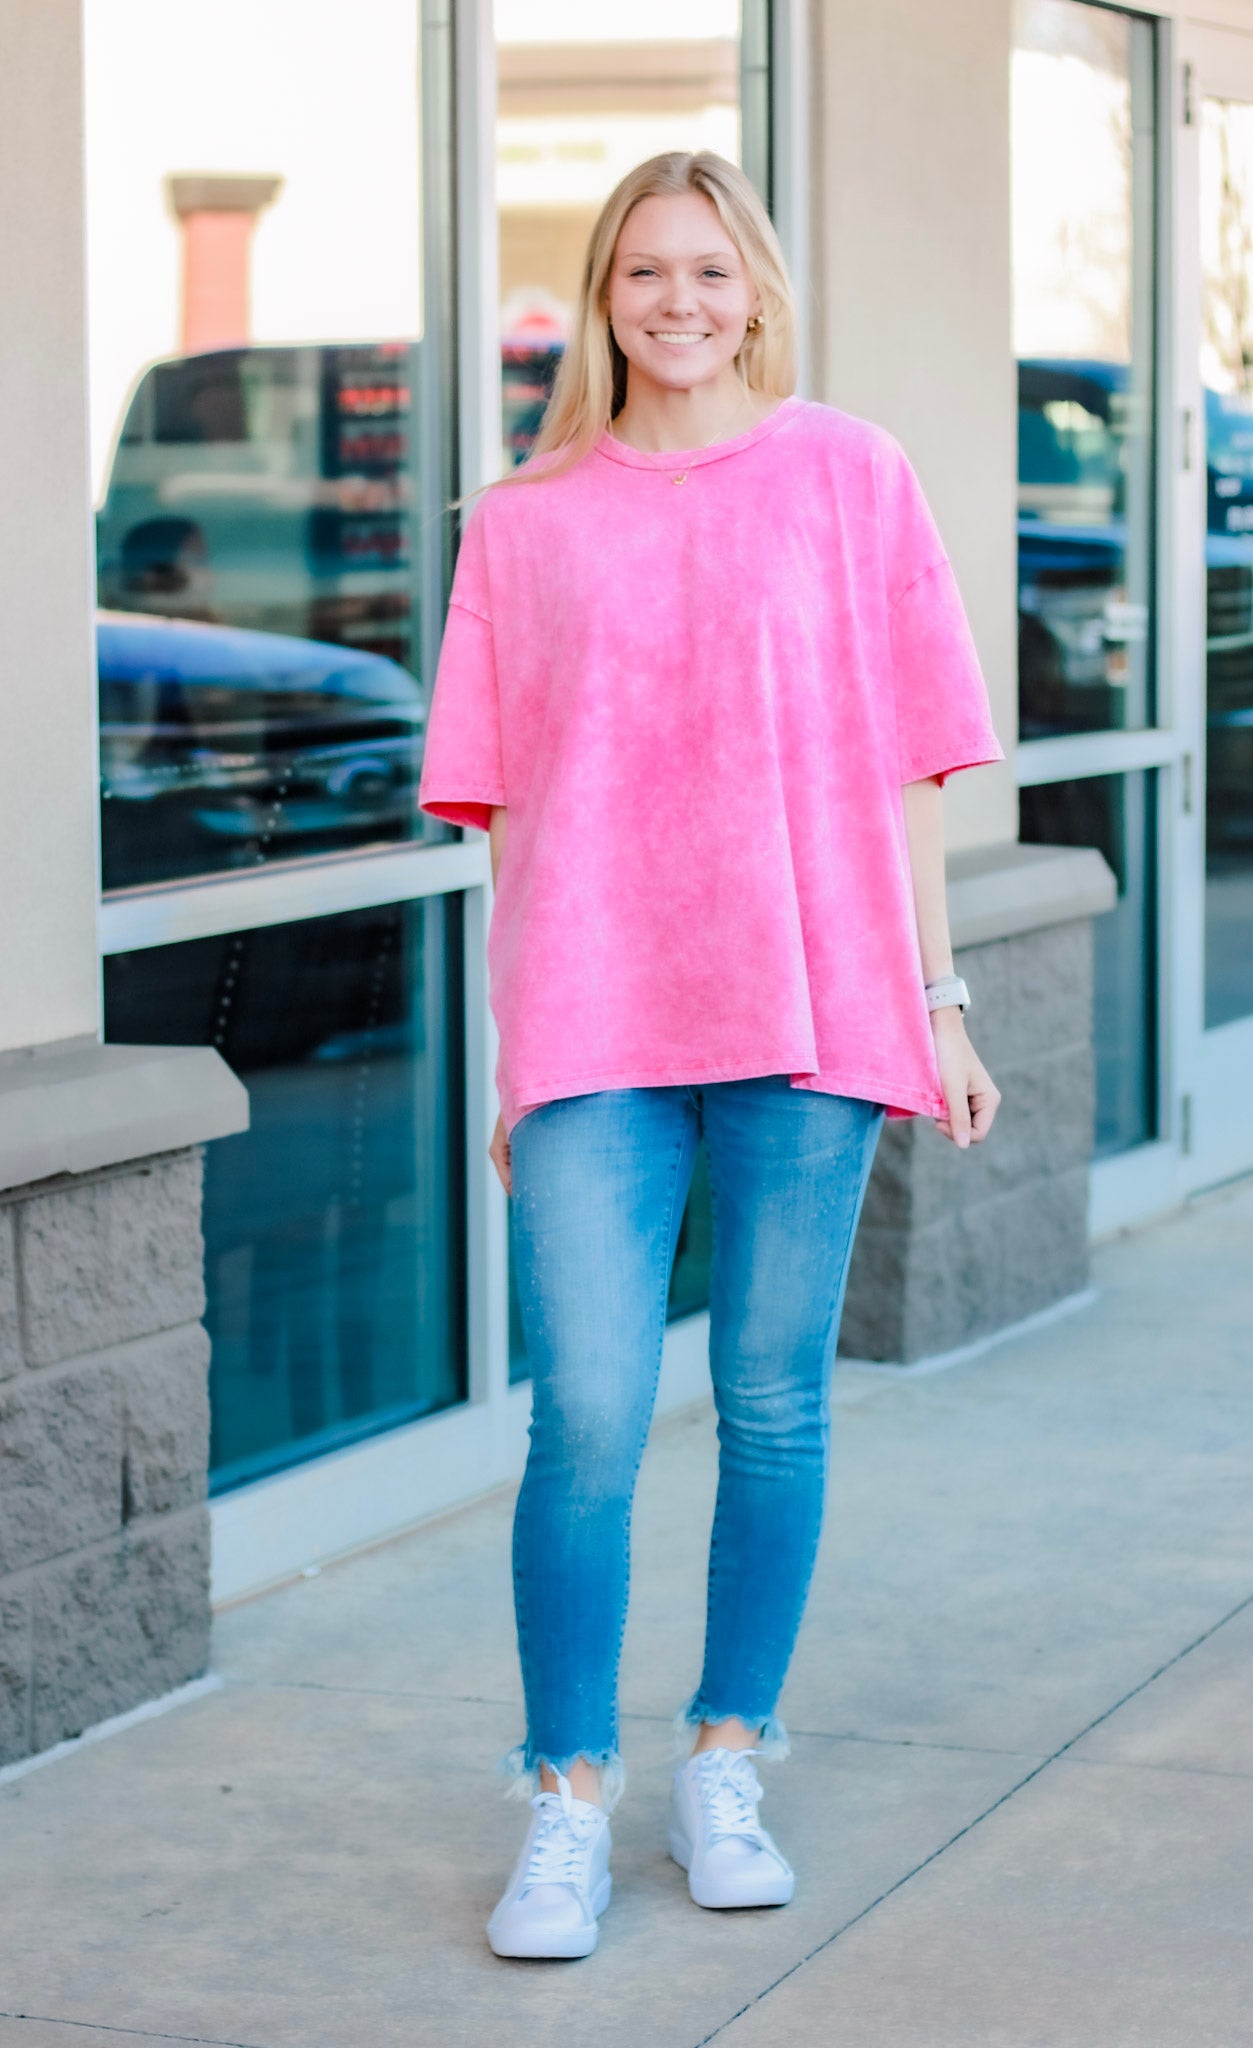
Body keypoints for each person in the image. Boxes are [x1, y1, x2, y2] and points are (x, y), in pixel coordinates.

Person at [417, 149, 1005, 1962]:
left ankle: (725, 1758)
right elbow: (506, 813)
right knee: (585, 1415)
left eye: (709, 270)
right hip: (598, 1024)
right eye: (641, 273)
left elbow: (910, 765)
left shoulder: (850, 477)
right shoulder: (520, 526)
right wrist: (522, 1062)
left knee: (769, 1402)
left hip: (809, 1010)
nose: (677, 302)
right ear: (600, 297)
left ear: (755, 287)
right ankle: (567, 1797)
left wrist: (939, 996)